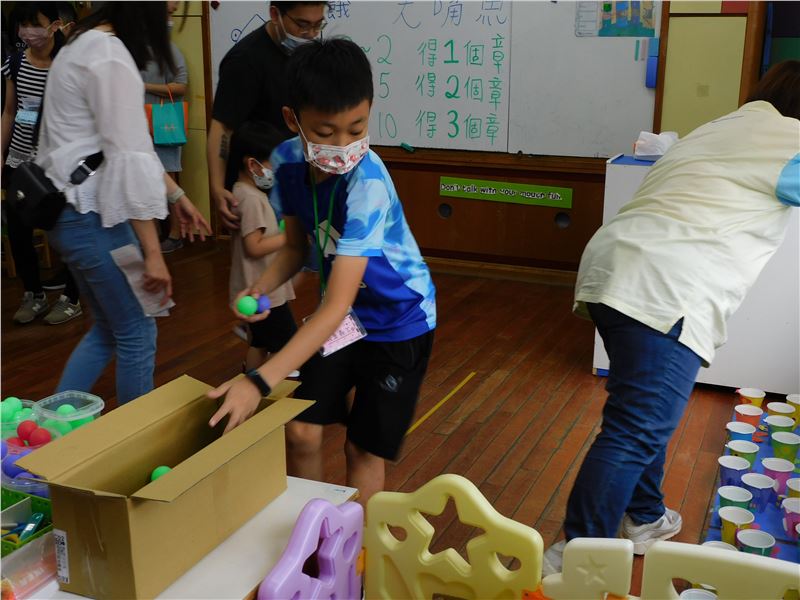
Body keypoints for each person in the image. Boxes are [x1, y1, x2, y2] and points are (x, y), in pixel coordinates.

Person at [543, 60, 800, 573]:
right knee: (637, 426)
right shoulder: (789, 139)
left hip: (614, 267)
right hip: (667, 284)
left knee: (641, 410)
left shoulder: (723, 126)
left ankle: (644, 517)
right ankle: (573, 561)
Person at [208, 38, 437, 505]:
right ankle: (313, 534)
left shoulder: (368, 186)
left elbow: (335, 306)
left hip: (399, 324)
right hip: (347, 323)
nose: (343, 146)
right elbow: (296, 246)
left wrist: (258, 380)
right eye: (326, 132)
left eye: (357, 128)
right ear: (293, 120)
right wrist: (262, 286)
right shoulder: (287, 161)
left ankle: (356, 545)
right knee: (301, 431)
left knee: (361, 449)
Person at [35, 2, 210, 405]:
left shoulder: (83, 42)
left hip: (71, 215)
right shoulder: (109, 55)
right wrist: (154, 254)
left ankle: (53, 425)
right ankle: (135, 436)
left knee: (109, 330)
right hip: (91, 217)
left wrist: (177, 195)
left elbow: (129, 146)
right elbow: (127, 158)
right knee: (137, 331)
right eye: (166, 8)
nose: (169, 18)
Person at [208, 1, 327, 231]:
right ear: (275, 14)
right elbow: (222, 128)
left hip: (299, 181)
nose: (311, 34)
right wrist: (216, 188)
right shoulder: (245, 60)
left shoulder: (307, 54)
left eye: (317, 25)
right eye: (302, 25)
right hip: (260, 188)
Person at [1, 2, 83, 325]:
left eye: (33, 24)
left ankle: (72, 297)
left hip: (60, 163)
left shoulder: (70, 62)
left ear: (55, 25)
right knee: (19, 232)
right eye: (21, 26)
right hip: (21, 161)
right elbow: (10, 111)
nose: (26, 32)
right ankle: (33, 294)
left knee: (68, 232)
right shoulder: (15, 61)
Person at [227, 120, 297, 371]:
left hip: (255, 288)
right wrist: (291, 237)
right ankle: (273, 383)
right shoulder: (252, 200)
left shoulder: (242, 191)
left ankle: (250, 380)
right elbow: (254, 247)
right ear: (253, 165)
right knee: (285, 344)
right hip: (263, 291)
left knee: (259, 342)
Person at [140, 0, 188, 254]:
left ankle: (176, 233)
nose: (170, 19)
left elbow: (181, 85)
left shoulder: (169, 50)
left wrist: (145, 87)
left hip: (162, 122)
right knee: (144, 181)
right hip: (138, 124)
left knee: (169, 179)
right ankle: (154, 233)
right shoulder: (133, 50)